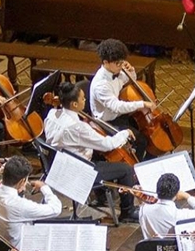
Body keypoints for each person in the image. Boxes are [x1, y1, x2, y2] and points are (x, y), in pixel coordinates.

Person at [44, 82, 140, 223]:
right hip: (77, 171)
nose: (85, 101)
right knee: (126, 169)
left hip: (57, 166)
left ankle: (101, 197)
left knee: (95, 153)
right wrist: (125, 133)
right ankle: (128, 212)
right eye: (82, 98)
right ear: (74, 105)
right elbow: (108, 144)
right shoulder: (78, 127)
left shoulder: (52, 114)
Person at [89, 39, 156, 157]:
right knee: (140, 141)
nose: (121, 66)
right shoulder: (101, 85)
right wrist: (142, 104)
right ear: (106, 62)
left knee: (149, 133)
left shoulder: (115, 72)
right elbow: (117, 107)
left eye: (122, 62)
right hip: (107, 121)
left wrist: (131, 71)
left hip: (119, 116)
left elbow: (129, 80)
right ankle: (135, 168)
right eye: (117, 63)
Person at [0, 156, 63, 247]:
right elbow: (56, 209)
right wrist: (44, 187)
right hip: (18, 249)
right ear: (22, 181)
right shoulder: (20, 205)